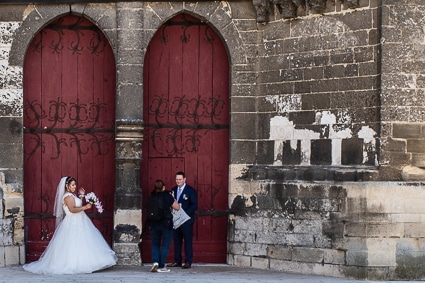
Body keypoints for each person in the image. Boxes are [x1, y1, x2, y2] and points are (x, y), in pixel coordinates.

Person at [23, 176, 117, 274]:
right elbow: (72, 209)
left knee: (82, 242)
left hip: (80, 221)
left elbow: (76, 205)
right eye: (72, 185)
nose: (75, 186)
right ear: (67, 186)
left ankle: (85, 262)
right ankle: (76, 264)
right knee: (73, 242)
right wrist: (85, 207)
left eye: (75, 184)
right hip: (73, 222)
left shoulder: (72, 195)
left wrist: (81, 196)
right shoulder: (68, 196)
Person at [145, 180, 180, 273]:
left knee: (155, 244)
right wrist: (173, 198)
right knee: (165, 245)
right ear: (163, 187)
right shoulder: (167, 196)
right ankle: (161, 266)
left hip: (154, 223)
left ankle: (155, 261)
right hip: (166, 223)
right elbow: (177, 207)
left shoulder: (151, 197)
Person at [167, 171, 198, 269]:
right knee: (177, 241)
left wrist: (185, 214)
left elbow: (194, 205)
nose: (178, 181)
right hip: (176, 221)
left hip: (186, 220)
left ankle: (188, 261)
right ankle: (177, 261)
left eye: (180, 179)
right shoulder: (173, 190)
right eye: (176, 179)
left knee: (187, 241)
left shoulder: (190, 191)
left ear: (184, 179)